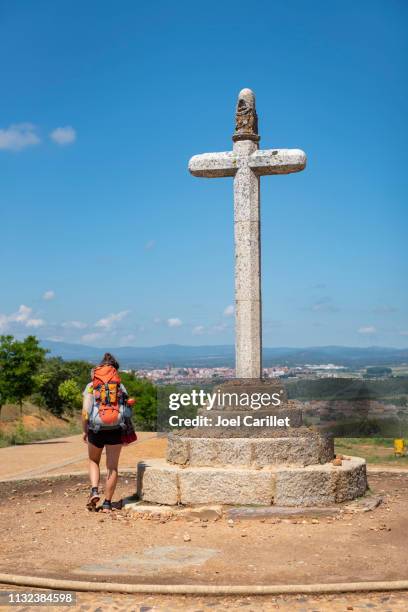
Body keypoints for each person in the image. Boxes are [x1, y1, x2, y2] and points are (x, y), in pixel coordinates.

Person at [82, 352, 127, 512]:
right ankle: (107, 503)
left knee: (94, 461)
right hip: (115, 428)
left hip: (96, 429)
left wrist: (85, 430)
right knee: (112, 467)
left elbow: (85, 412)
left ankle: (94, 490)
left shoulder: (91, 385)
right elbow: (127, 411)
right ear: (115, 370)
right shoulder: (120, 386)